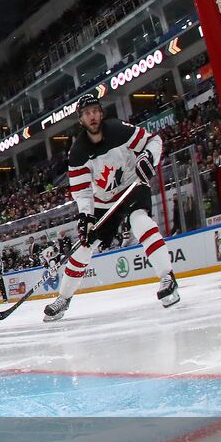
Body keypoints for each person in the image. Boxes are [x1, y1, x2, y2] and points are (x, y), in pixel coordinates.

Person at [44, 92, 179, 322]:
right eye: (87, 113)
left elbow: (153, 140)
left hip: (131, 186)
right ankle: (63, 298)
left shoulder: (118, 130)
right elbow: (83, 191)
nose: (92, 116)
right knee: (84, 247)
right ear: (81, 120)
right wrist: (86, 217)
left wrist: (147, 157)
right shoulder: (77, 153)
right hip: (103, 202)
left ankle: (167, 277)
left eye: (95, 111)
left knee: (140, 222)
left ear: (101, 113)